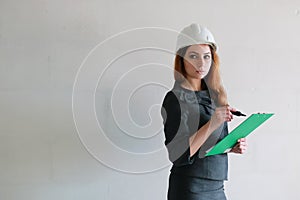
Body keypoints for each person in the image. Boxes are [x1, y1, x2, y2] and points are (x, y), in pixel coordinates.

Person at [161, 23, 247, 200]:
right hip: (190, 187)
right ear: (182, 59)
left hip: (217, 186)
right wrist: (213, 122)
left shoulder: (215, 95)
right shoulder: (175, 99)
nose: (201, 63)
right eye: (194, 56)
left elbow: (206, 148)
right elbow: (177, 154)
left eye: (207, 57)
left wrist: (230, 147)